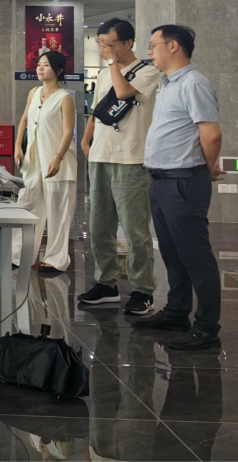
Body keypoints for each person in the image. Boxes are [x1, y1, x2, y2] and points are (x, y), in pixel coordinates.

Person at [134, 25, 223, 351]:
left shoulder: (194, 83)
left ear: (173, 46)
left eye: (153, 45)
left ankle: (207, 327)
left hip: (183, 181)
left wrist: (207, 168)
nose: (149, 52)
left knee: (195, 256)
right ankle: (176, 312)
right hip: (161, 181)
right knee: (173, 254)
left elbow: (211, 133)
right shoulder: (168, 84)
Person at [77, 18, 162, 316]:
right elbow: (97, 111)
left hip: (132, 159)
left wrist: (113, 62)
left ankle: (143, 290)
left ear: (128, 43)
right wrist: (86, 141)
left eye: (110, 43)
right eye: (101, 43)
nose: (104, 49)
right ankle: (106, 283)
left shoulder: (149, 72)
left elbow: (124, 92)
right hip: (101, 156)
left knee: (135, 229)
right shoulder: (104, 74)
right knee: (99, 225)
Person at [11, 51, 76, 274]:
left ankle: (56, 259)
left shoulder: (64, 98)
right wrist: (17, 145)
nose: (40, 68)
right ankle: (20, 254)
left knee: (58, 210)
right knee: (28, 204)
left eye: (46, 65)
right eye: (39, 64)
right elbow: (24, 120)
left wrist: (58, 157)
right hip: (34, 160)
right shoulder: (34, 92)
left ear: (59, 70)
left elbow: (68, 131)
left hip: (58, 161)